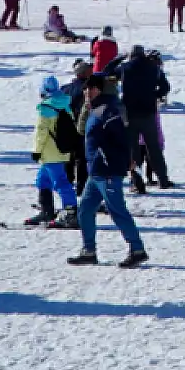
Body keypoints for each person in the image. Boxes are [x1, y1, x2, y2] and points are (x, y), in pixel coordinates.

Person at [67, 74, 149, 268]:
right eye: (86, 89)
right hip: (95, 172)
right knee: (85, 210)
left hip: (107, 170)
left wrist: (123, 160)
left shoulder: (108, 111)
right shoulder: (93, 110)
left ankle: (137, 250)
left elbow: (120, 138)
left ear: (100, 90)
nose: (87, 92)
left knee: (117, 210)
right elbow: (82, 132)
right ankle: (89, 251)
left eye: (92, 88)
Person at [117, 45, 173, 192]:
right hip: (148, 113)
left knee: (133, 150)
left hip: (130, 114)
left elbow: (105, 74)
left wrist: (117, 59)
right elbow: (165, 87)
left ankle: (138, 183)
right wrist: (154, 95)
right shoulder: (154, 67)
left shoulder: (125, 67)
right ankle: (163, 179)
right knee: (154, 148)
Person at [27, 77, 81, 229]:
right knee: (43, 180)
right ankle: (47, 210)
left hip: (49, 152)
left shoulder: (45, 108)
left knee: (61, 182)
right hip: (62, 150)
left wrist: (36, 151)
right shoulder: (65, 104)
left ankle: (71, 214)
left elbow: (41, 132)